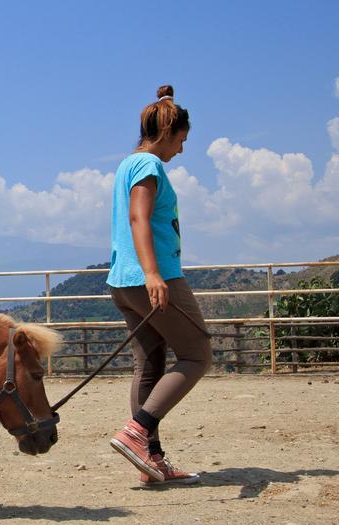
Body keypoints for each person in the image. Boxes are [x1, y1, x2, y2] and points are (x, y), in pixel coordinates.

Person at [106, 85, 212, 486]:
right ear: (167, 133)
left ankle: (150, 459)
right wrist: (153, 273)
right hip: (153, 277)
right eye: (182, 141)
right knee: (198, 353)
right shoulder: (149, 167)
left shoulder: (126, 164)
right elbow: (139, 218)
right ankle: (138, 430)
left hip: (122, 282)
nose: (181, 150)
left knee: (149, 365)